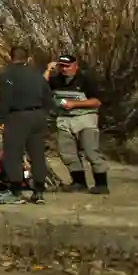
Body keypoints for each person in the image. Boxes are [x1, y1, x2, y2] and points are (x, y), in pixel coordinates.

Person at [0, 43, 53, 205]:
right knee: (38, 155)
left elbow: (5, 98)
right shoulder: (37, 75)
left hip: (17, 117)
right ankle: (39, 192)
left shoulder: (8, 74)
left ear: (10, 57)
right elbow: (48, 98)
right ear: (28, 59)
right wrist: (45, 115)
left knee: (13, 155)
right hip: (38, 117)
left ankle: (15, 191)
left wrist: (1, 118)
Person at [47, 51, 109, 194]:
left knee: (91, 151)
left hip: (85, 119)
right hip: (64, 120)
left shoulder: (86, 80)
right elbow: (40, 87)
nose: (64, 69)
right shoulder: (56, 80)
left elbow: (96, 101)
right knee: (67, 153)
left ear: (75, 66)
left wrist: (75, 104)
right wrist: (48, 70)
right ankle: (79, 182)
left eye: (67, 66)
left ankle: (101, 184)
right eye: (61, 66)